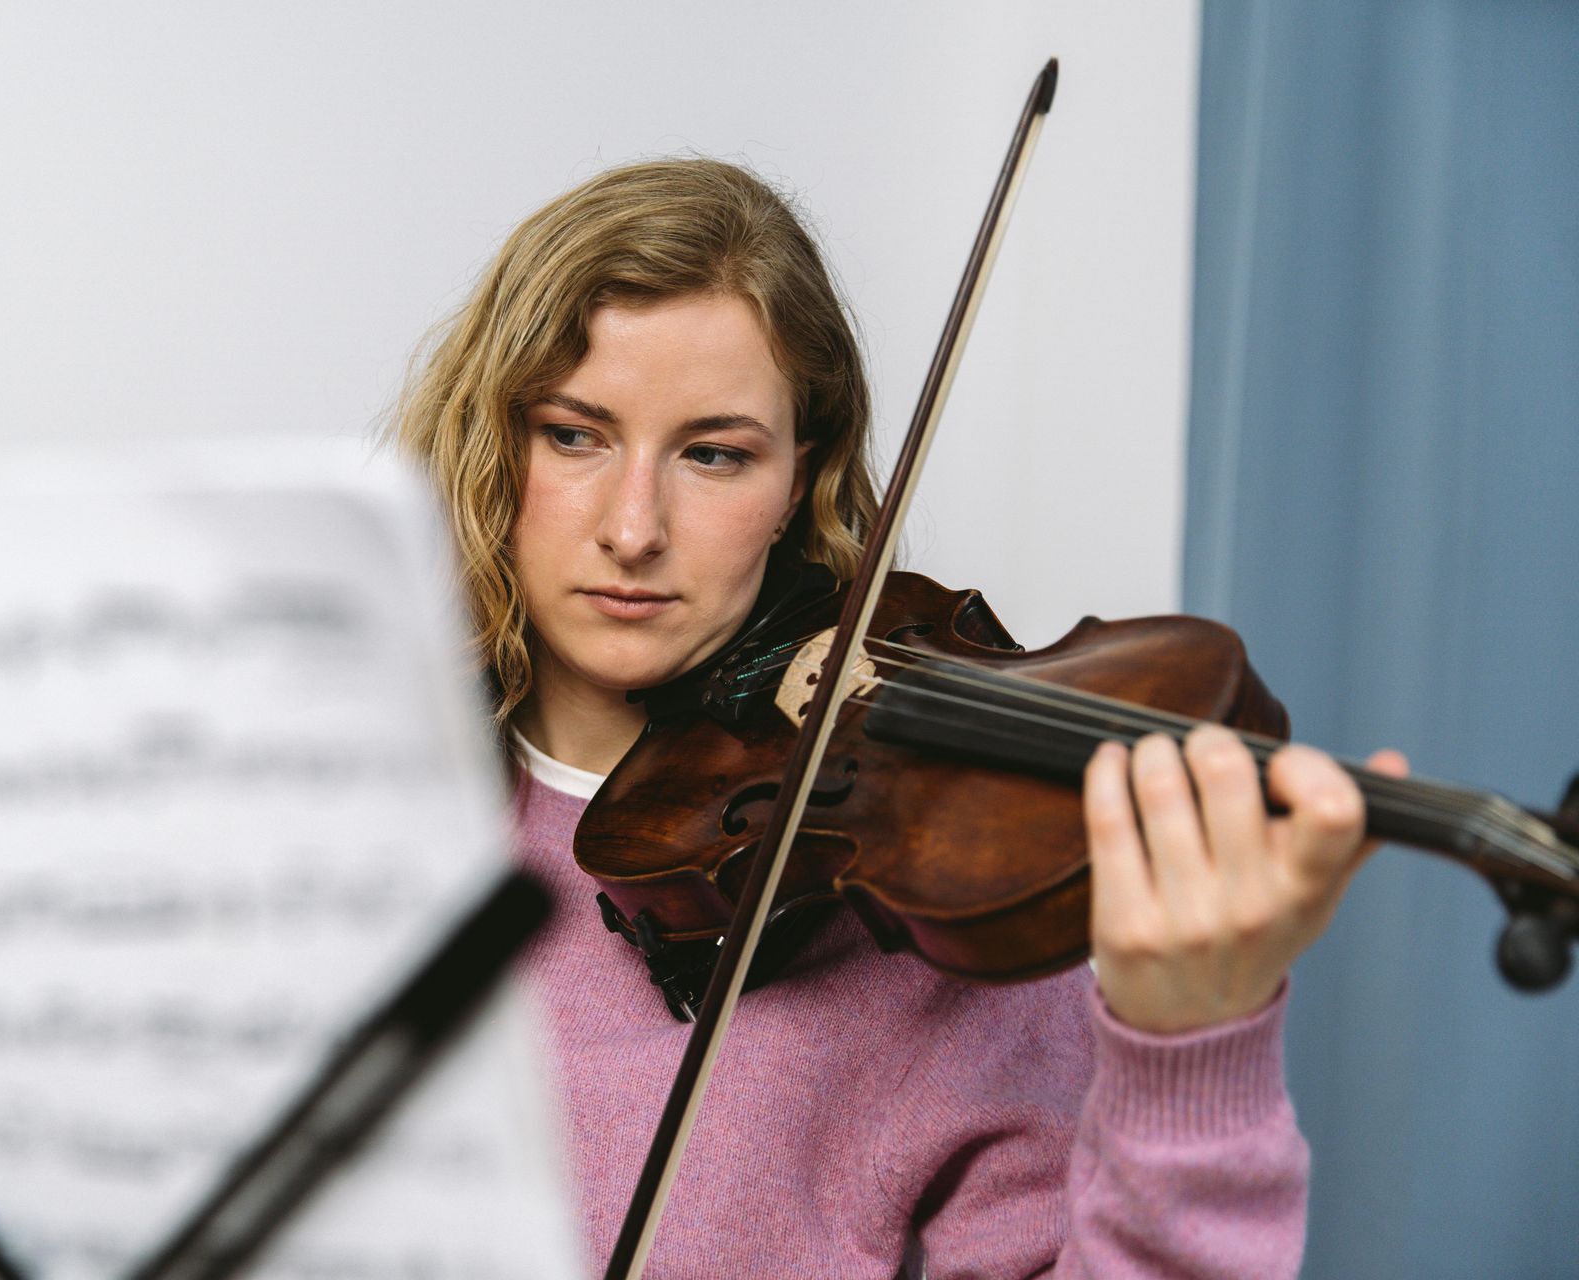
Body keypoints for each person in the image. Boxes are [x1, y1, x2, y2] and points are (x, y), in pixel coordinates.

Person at [391, 157, 1406, 1278]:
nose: (635, 527)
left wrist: (1188, 1057)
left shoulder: (924, 901)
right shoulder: (345, 814)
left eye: (714, 453)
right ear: (495, 443)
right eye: (574, 435)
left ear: (798, 481)